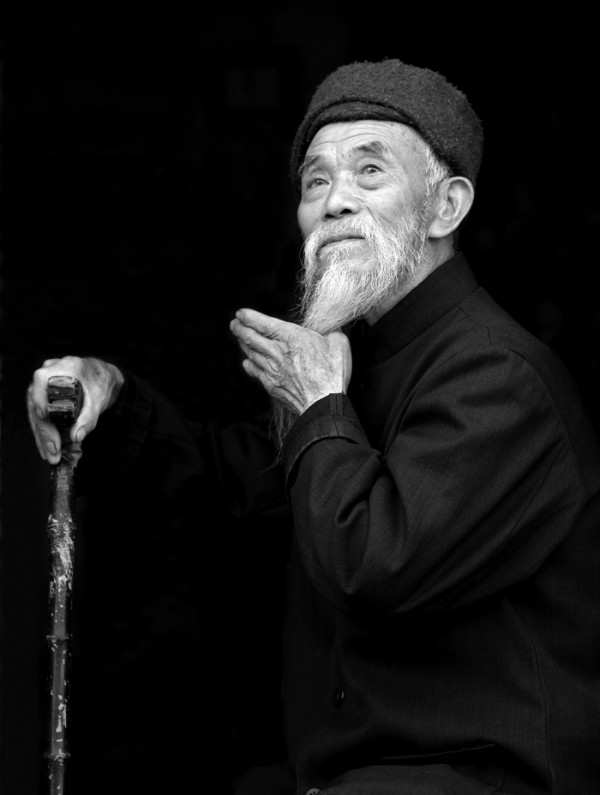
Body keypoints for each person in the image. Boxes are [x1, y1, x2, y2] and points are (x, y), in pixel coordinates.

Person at [27, 59, 600, 794]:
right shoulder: (353, 361)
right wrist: (108, 396)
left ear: (446, 207)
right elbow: (235, 485)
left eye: (369, 171)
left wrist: (319, 404)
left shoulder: (498, 376)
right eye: (315, 181)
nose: (335, 202)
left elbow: (374, 565)